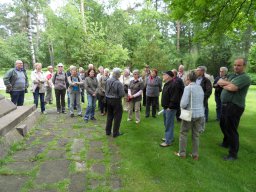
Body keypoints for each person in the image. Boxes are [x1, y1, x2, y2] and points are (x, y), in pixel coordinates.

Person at [217, 58, 251, 161]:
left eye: (239, 65)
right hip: (225, 105)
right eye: (235, 65)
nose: (236, 67)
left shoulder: (245, 78)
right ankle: (226, 142)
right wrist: (228, 84)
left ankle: (233, 154)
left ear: (244, 66)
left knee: (231, 129)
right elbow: (219, 81)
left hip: (235, 106)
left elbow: (233, 88)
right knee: (223, 124)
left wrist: (226, 84)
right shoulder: (232, 75)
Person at [175, 70, 204, 160]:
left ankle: (182, 153)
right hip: (200, 114)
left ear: (188, 78)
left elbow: (183, 104)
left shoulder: (188, 88)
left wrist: (181, 106)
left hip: (189, 114)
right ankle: (195, 155)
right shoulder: (200, 87)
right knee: (196, 135)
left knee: (183, 133)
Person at [160, 71, 180, 147]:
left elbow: (174, 97)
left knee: (169, 124)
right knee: (167, 124)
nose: (163, 76)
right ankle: (169, 137)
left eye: (164, 75)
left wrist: (170, 107)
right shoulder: (167, 84)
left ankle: (168, 141)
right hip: (166, 107)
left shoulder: (174, 84)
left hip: (170, 108)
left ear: (168, 76)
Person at [105, 68, 125, 137]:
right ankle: (115, 133)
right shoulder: (118, 83)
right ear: (118, 74)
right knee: (117, 116)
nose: (120, 75)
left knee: (109, 115)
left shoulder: (107, 80)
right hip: (116, 101)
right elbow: (122, 94)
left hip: (108, 99)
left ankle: (108, 131)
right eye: (120, 74)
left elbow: (106, 90)